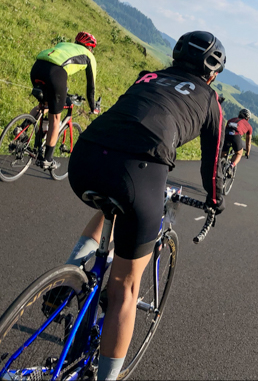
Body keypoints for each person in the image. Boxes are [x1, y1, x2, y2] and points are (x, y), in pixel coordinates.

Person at [62, 30, 226, 380]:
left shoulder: (148, 76)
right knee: (125, 286)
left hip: (86, 156)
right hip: (140, 172)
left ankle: (68, 275)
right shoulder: (211, 101)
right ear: (212, 74)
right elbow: (211, 165)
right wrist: (214, 201)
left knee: (110, 208)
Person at [27, 31, 100, 169]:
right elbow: (91, 87)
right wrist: (93, 107)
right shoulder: (89, 56)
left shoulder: (64, 44)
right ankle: (47, 160)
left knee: (44, 104)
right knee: (55, 118)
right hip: (56, 73)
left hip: (37, 66)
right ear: (90, 48)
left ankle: (22, 129)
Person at [223, 108, 252, 177]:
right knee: (239, 153)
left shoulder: (231, 120)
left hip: (226, 134)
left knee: (223, 154)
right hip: (236, 136)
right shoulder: (249, 126)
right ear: (247, 119)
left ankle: (220, 165)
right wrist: (247, 152)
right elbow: (248, 142)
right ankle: (231, 166)